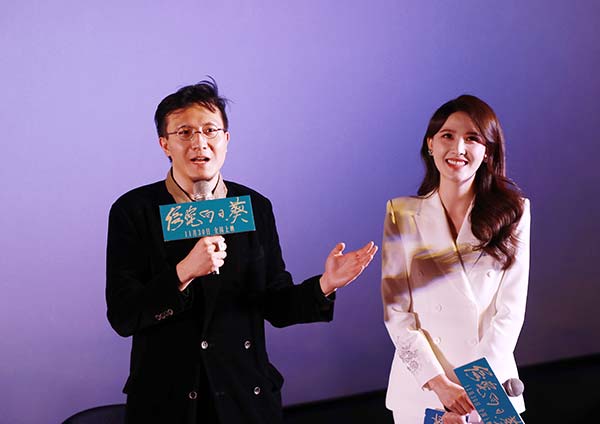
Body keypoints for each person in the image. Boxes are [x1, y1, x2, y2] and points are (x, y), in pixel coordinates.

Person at [106, 79, 377, 424]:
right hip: (168, 401)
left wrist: (325, 284)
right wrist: (183, 272)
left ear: (226, 139)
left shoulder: (253, 207)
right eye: (185, 133)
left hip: (244, 396)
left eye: (210, 131)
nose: (199, 143)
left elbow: (275, 304)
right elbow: (124, 316)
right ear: (164, 144)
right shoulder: (134, 210)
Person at [381, 95, 530, 423]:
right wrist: (441, 386)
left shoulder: (514, 212)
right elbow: (396, 311)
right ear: (430, 144)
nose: (458, 148)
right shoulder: (401, 213)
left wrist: (473, 386)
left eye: (472, 138)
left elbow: (511, 310)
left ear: (487, 151)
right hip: (423, 387)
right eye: (447, 135)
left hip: (488, 384)